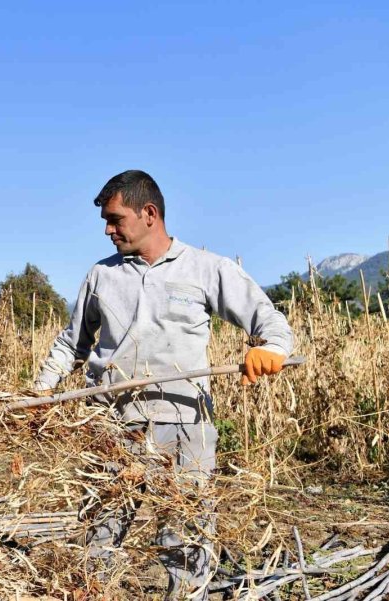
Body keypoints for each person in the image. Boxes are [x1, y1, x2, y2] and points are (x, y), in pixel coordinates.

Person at [34, 170, 293, 599]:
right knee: (101, 526)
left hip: (184, 423)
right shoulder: (102, 275)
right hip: (113, 423)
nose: (108, 229)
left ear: (149, 213)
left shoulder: (207, 269)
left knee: (185, 533)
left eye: (116, 219)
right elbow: (71, 342)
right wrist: (41, 392)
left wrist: (273, 348)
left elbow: (269, 322)